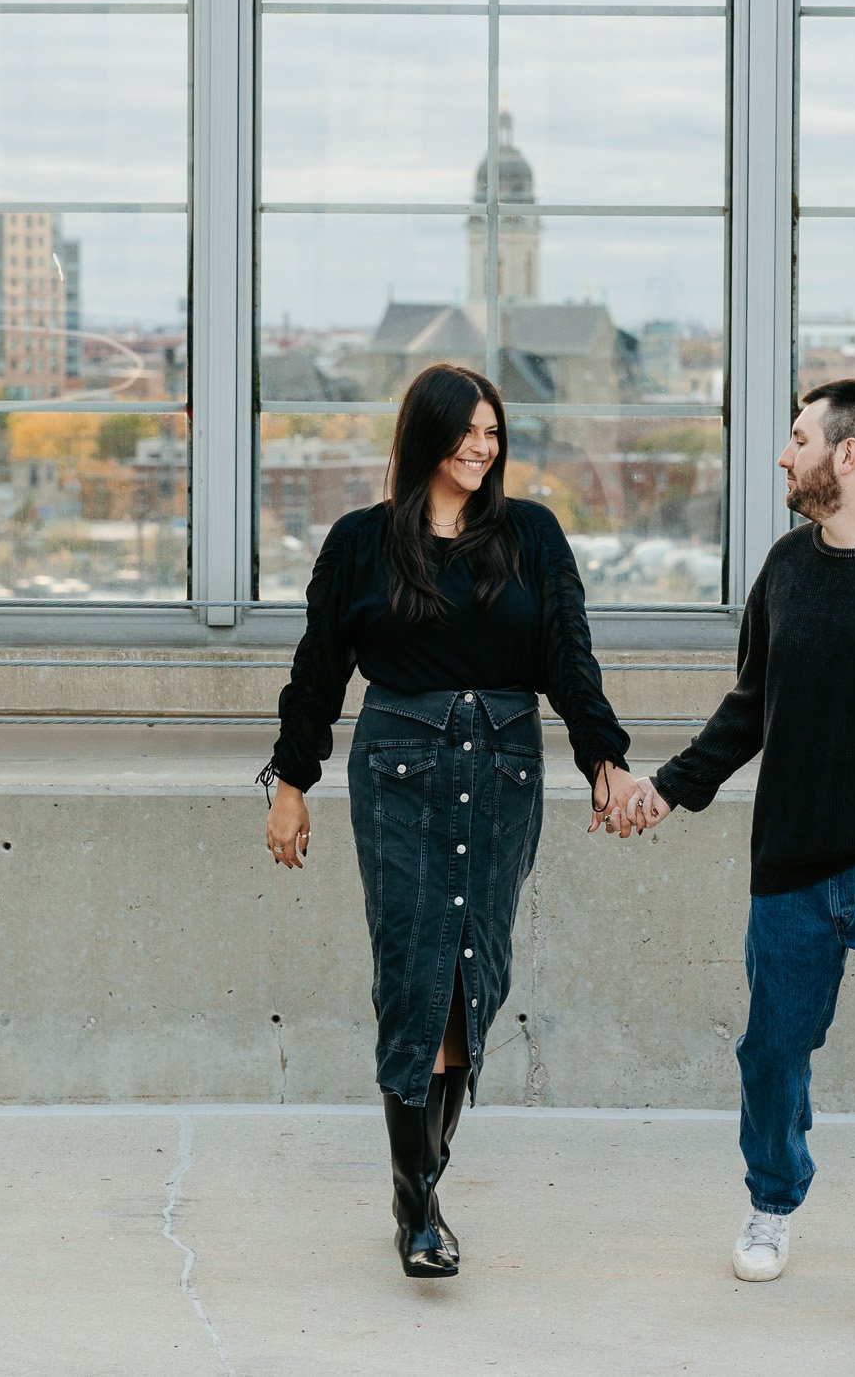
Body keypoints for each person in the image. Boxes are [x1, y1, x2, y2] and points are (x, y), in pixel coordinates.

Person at [615, 377, 855, 1349]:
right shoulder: (785, 569)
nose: (782, 455)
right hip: (790, 868)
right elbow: (751, 704)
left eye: (796, 438)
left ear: (846, 453)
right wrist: (665, 786)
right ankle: (772, 1197)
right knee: (770, 1057)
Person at [260, 362, 648, 1279]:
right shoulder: (361, 542)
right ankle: (419, 1207)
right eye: (469, 430)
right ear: (426, 433)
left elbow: (569, 656)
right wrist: (290, 782)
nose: (483, 447)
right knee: (414, 973)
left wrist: (605, 757)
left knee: (476, 979)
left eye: (494, 433)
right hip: (399, 770)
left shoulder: (533, 535)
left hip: (505, 767)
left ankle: (419, 1185)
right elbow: (318, 670)